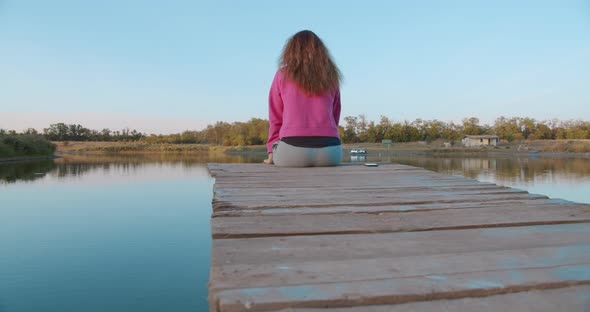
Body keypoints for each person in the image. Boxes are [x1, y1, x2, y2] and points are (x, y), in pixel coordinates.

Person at [264, 30, 343, 167]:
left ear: (291, 50)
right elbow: (335, 115)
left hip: (292, 153)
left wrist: (271, 150)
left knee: (281, 148)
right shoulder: (332, 76)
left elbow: (275, 117)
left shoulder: (282, 74)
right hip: (331, 154)